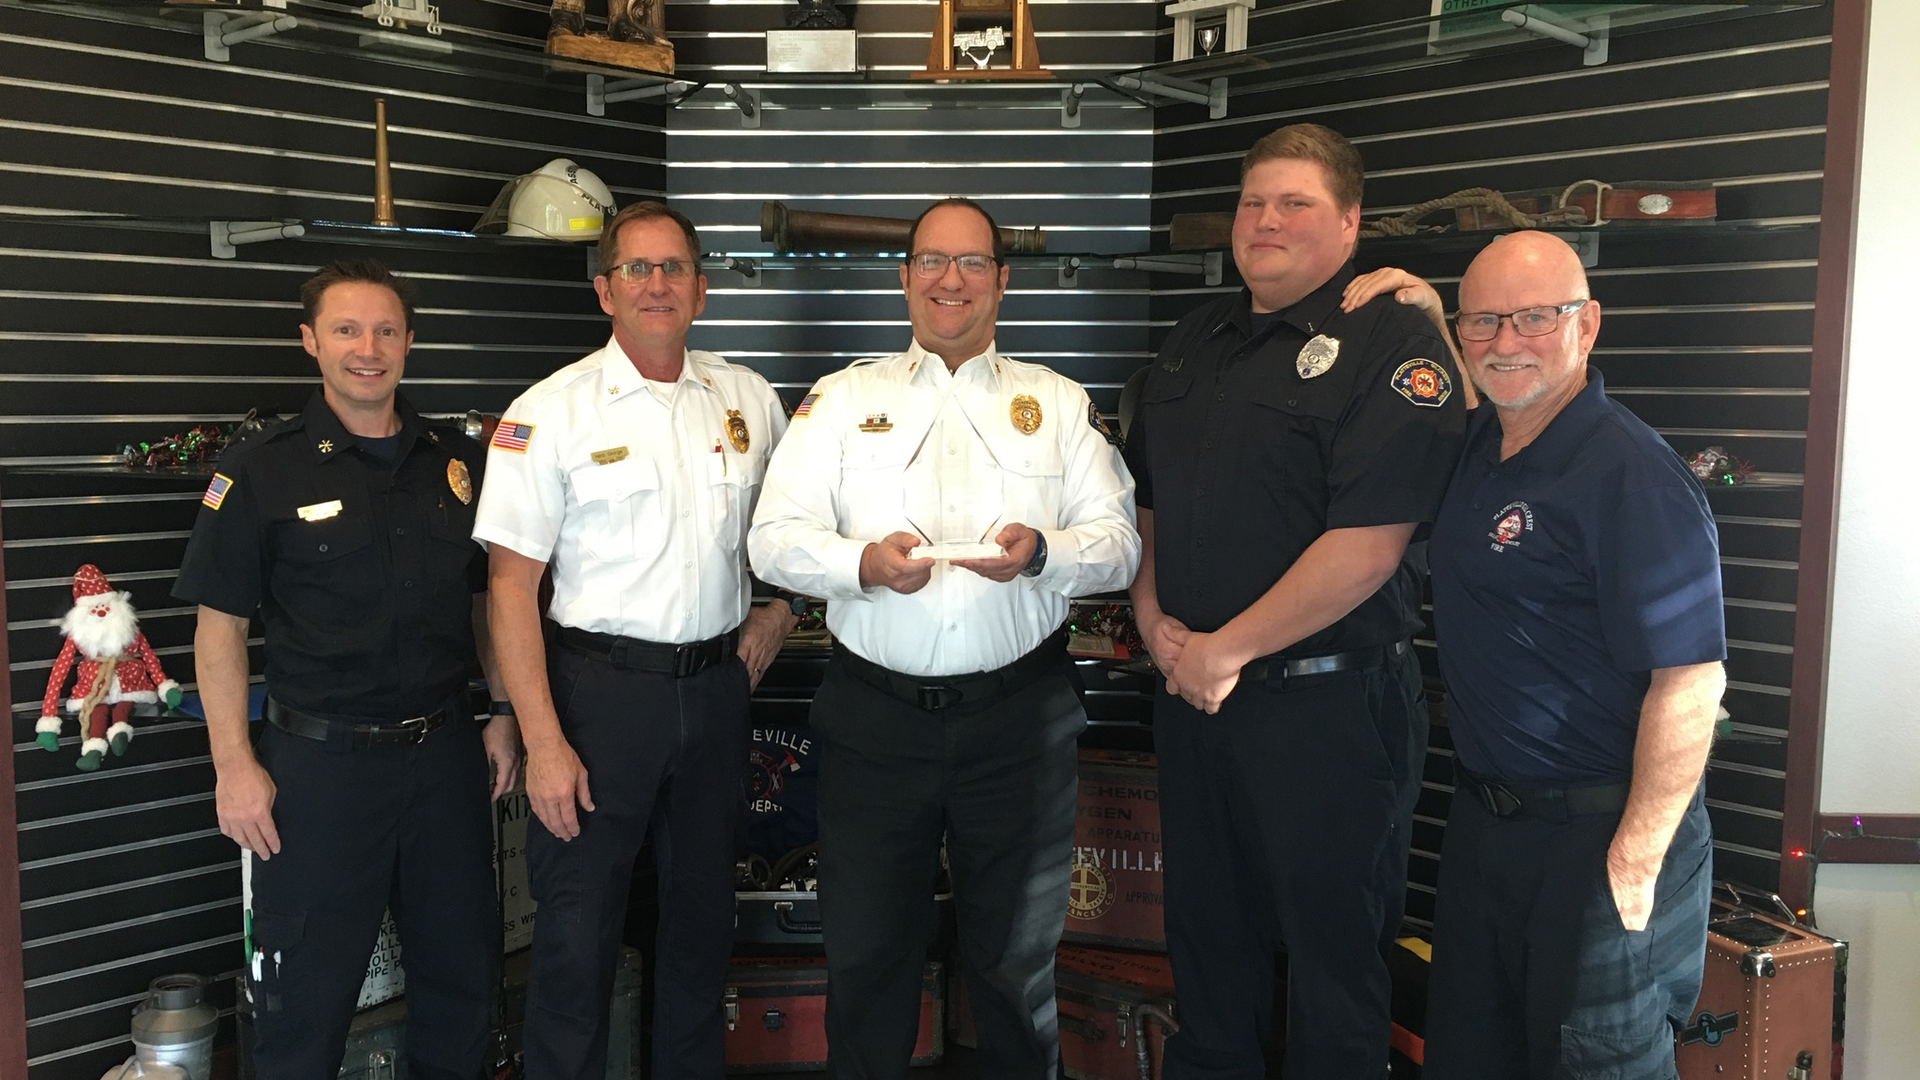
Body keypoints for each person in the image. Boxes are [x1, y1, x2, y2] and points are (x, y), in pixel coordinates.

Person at [748, 197, 1140, 1080]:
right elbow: (772, 539)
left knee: (1014, 971)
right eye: (932, 260)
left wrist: (1044, 553)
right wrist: (861, 564)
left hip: (1020, 727)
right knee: (866, 962)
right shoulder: (841, 401)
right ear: (905, 278)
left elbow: (1119, 546)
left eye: (971, 262)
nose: (950, 280)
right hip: (875, 725)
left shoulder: (1058, 403)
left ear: (1001, 282)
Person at [1122, 124, 1467, 1079]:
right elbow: (1148, 505)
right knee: (1206, 947)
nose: (1265, 221)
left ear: (1351, 222)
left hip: (1329, 709)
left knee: (1334, 967)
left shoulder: (1392, 339)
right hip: (1195, 699)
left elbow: (1369, 547)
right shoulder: (1195, 339)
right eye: (1252, 202)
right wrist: (1151, 620)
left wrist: (1224, 648)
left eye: (1295, 204)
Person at [1349, 234, 1726, 1079]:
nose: (1506, 342)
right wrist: (1430, 311)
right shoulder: (1483, 444)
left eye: (1534, 319)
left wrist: (1635, 859)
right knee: (1472, 1057)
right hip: (1487, 830)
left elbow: (1692, 679)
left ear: (1586, 326)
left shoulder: (1632, 474)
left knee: (1595, 1064)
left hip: (1601, 834)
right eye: (1483, 322)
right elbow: (1488, 379)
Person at [473, 200, 795, 1080]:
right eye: (637, 269)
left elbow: (794, 530)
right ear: (604, 291)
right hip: (597, 700)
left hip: (718, 688)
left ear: (701, 288)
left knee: (702, 929)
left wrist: (780, 608)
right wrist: (542, 741)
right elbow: (510, 587)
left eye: (674, 267)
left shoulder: (749, 399)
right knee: (576, 938)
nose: (658, 284)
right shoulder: (551, 412)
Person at [176, 259, 519, 1080]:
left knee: (464, 985)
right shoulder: (258, 470)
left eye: (386, 330)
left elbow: (486, 603)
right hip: (318, 774)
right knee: (304, 1006)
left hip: (444, 762)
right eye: (347, 330)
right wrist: (233, 766)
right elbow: (219, 630)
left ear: (409, 341)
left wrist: (504, 711)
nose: (369, 349)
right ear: (310, 341)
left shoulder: (458, 463)